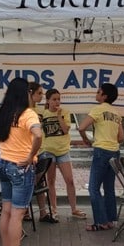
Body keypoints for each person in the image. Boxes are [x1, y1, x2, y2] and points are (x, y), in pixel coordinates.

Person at [0, 77, 42, 246]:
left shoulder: (5, 112)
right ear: (26, 94)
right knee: (17, 214)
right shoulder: (28, 114)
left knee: (6, 210)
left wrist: (2, 145)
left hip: (4, 164)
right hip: (21, 167)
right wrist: (31, 156)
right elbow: (38, 135)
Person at [78, 83, 124, 231]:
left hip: (101, 151)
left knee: (94, 188)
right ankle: (111, 220)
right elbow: (121, 137)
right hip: (114, 152)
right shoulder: (117, 113)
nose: (96, 94)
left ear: (104, 96)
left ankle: (100, 222)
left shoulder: (98, 110)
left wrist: (86, 139)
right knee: (109, 187)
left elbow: (81, 127)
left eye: (98, 92)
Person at [41, 88, 87, 220]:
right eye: (54, 99)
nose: (57, 102)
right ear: (48, 101)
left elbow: (66, 130)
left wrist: (59, 116)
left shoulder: (65, 113)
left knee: (70, 180)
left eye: (58, 99)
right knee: (51, 181)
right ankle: (54, 209)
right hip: (48, 151)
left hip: (63, 151)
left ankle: (74, 209)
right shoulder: (43, 114)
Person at [28, 81, 57, 223]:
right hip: (27, 151)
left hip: (40, 150)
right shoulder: (23, 111)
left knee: (40, 181)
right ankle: (25, 212)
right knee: (30, 181)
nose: (41, 96)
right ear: (30, 93)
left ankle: (43, 213)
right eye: (39, 93)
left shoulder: (40, 111)